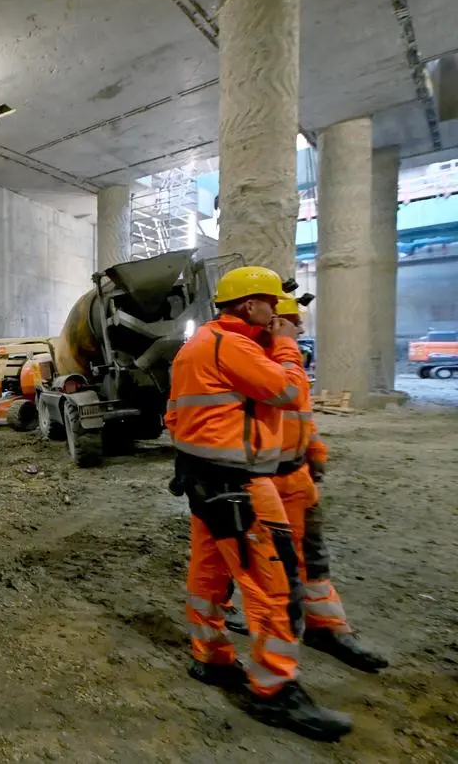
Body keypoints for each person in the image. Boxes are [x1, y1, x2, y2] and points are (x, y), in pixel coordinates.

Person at [167, 266, 352, 741]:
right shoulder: (232, 346)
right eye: (271, 304)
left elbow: (174, 416)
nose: (277, 314)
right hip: (240, 485)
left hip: (204, 479)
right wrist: (286, 345)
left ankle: (211, 656)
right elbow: (290, 391)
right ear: (250, 304)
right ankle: (274, 691)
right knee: (272, 585)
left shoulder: (198, 345)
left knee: (209, 574)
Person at [270, 294, 389, 672]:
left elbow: (302, 415)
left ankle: (327, 627)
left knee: (313, 558)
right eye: (293, 321)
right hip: (267, 483)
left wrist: (315, 450)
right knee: (274, 568)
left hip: (298, 477)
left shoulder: (288, 362)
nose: (300, 327)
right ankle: (274, 664)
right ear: (274, 323)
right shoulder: (260, 363)